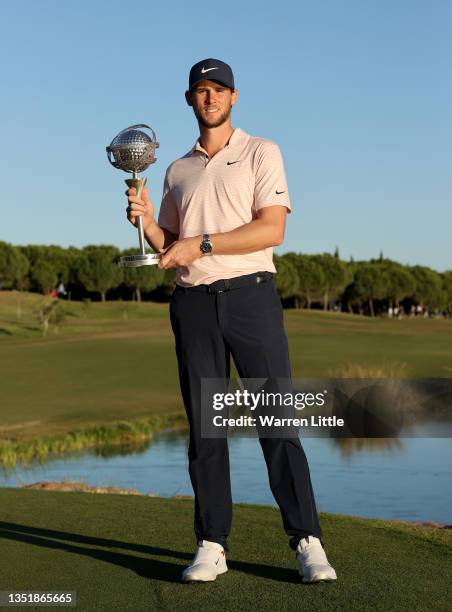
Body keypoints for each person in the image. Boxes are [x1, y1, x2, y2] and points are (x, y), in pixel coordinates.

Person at [126, 58, 337, 584]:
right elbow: (171, 250)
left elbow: (271, 230)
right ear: (189, 99)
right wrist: (148, 220)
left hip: (251, 299)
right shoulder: (177, 169)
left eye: (219, 89)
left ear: (234, 97)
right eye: (201, 90)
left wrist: (202, 242)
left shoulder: (262, 152)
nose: (210, 98)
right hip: (194, 303)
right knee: (206, 431)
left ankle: (307, 541)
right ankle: (212, 543)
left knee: (276, 422)